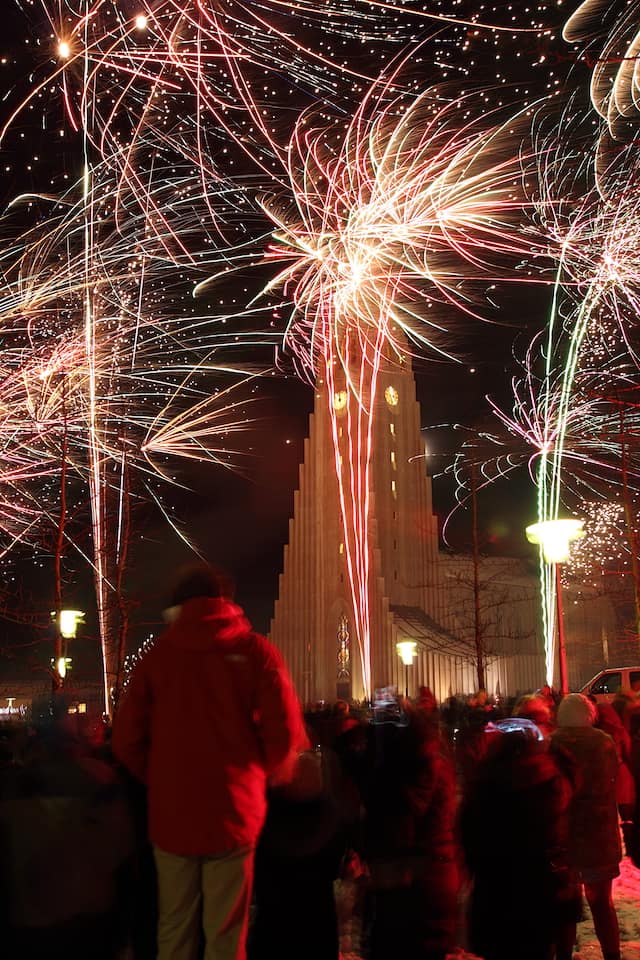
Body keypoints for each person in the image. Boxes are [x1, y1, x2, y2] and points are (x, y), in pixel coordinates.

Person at [113, 563, 304, 960]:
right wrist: (254, 775)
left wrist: (160, 777)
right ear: (226, 601)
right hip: (234, 810)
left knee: (174, 924)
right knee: (227, 930)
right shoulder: (256, 652)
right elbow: (284, 734)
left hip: (172, 812)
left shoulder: (158, 657)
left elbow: (126, 738)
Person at [460, 718, 575, 960]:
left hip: (495, 893)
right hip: (539, 891)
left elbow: (468, 840)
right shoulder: (549, 783)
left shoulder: (482, 785)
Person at [551, 693, 622, 960]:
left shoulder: (553, 744)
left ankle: (564, 955)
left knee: (567, 906)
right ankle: (612, 954)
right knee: (602, 903)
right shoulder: (605, 744)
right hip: (599, 834)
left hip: (565, 835)